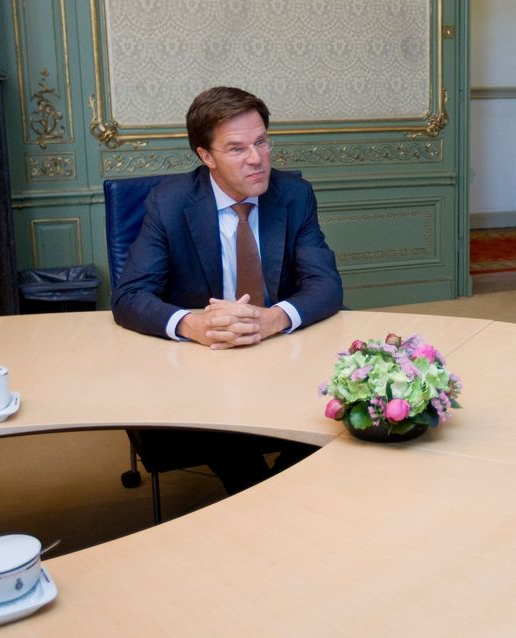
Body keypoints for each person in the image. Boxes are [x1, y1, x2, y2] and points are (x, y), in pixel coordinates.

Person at [111, 86, 343, 494]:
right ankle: (265, 500)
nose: (256, 159)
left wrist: (275, 318)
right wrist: (192, 325)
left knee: (343, 409)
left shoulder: (293, 195)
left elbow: (325, 283)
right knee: (221, 427)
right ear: (205, 156)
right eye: (237, 149)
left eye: (261, 142)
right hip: (207, 366)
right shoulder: (168, 203)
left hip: (284, 356)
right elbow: (130, 296)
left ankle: (267, 497)